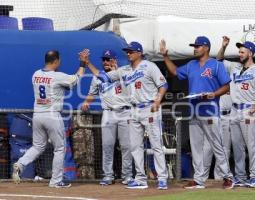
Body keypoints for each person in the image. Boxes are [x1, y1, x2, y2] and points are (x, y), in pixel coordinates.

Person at [80, 41, 169, 190]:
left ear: (139, 52)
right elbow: (103, 77)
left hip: (149, 107)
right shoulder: (124, 70)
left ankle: (162, 178)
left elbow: (163, 85)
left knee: (156, 145)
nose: (128, 53)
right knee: (135, 146)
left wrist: (158, 100)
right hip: (133, 110)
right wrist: (87, 63)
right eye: (127, 51)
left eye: (131, 51)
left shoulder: (149, 66)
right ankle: (140, 178)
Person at [160, 36, 234, 189]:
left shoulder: (215, 64)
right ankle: (199, 179)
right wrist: (165, 56)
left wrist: (213, 94)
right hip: (194, 110)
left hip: (210, 110)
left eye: (198, 46)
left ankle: (228, 177)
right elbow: (174, 71)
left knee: (217, 145)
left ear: (206, 48)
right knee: (196, 147)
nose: (195, 48)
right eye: (194, 46)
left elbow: (227, 86)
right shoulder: (191, 65)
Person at [12, 50, 85, 188]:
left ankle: (20, 164)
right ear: (56, 61)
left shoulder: (36, 75)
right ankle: (56, 181)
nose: (60, 62)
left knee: (38, 146)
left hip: (38, 115)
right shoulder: (57, 76)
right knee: (59, 148)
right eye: (59, 60)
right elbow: (76, 80)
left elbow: (56, 86)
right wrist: (82, 63)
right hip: (52, 115)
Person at [217, 36, 255, 187]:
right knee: (237, 146)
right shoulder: (234, 67)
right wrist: (224, 46)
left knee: (251, 145)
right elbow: (219, 60)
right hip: (235, 109)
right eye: (239, 51)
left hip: (249, 109)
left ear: (250, 53)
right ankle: (240, 177)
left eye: (243, 52)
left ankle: (254, 176)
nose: (240, 54)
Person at [81, 49, 133, 185]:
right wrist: (87, 101)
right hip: (108, 113)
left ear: (114, 60)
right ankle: (108, 175)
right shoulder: (97, 77)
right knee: (107, 146)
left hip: (125, 112)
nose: (105, 62)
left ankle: (127, 175)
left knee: (126, 146)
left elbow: (130, 90)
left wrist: (117, 72)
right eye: (104, 59)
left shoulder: (123, 72)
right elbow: (92, 93)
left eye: (108, 59)